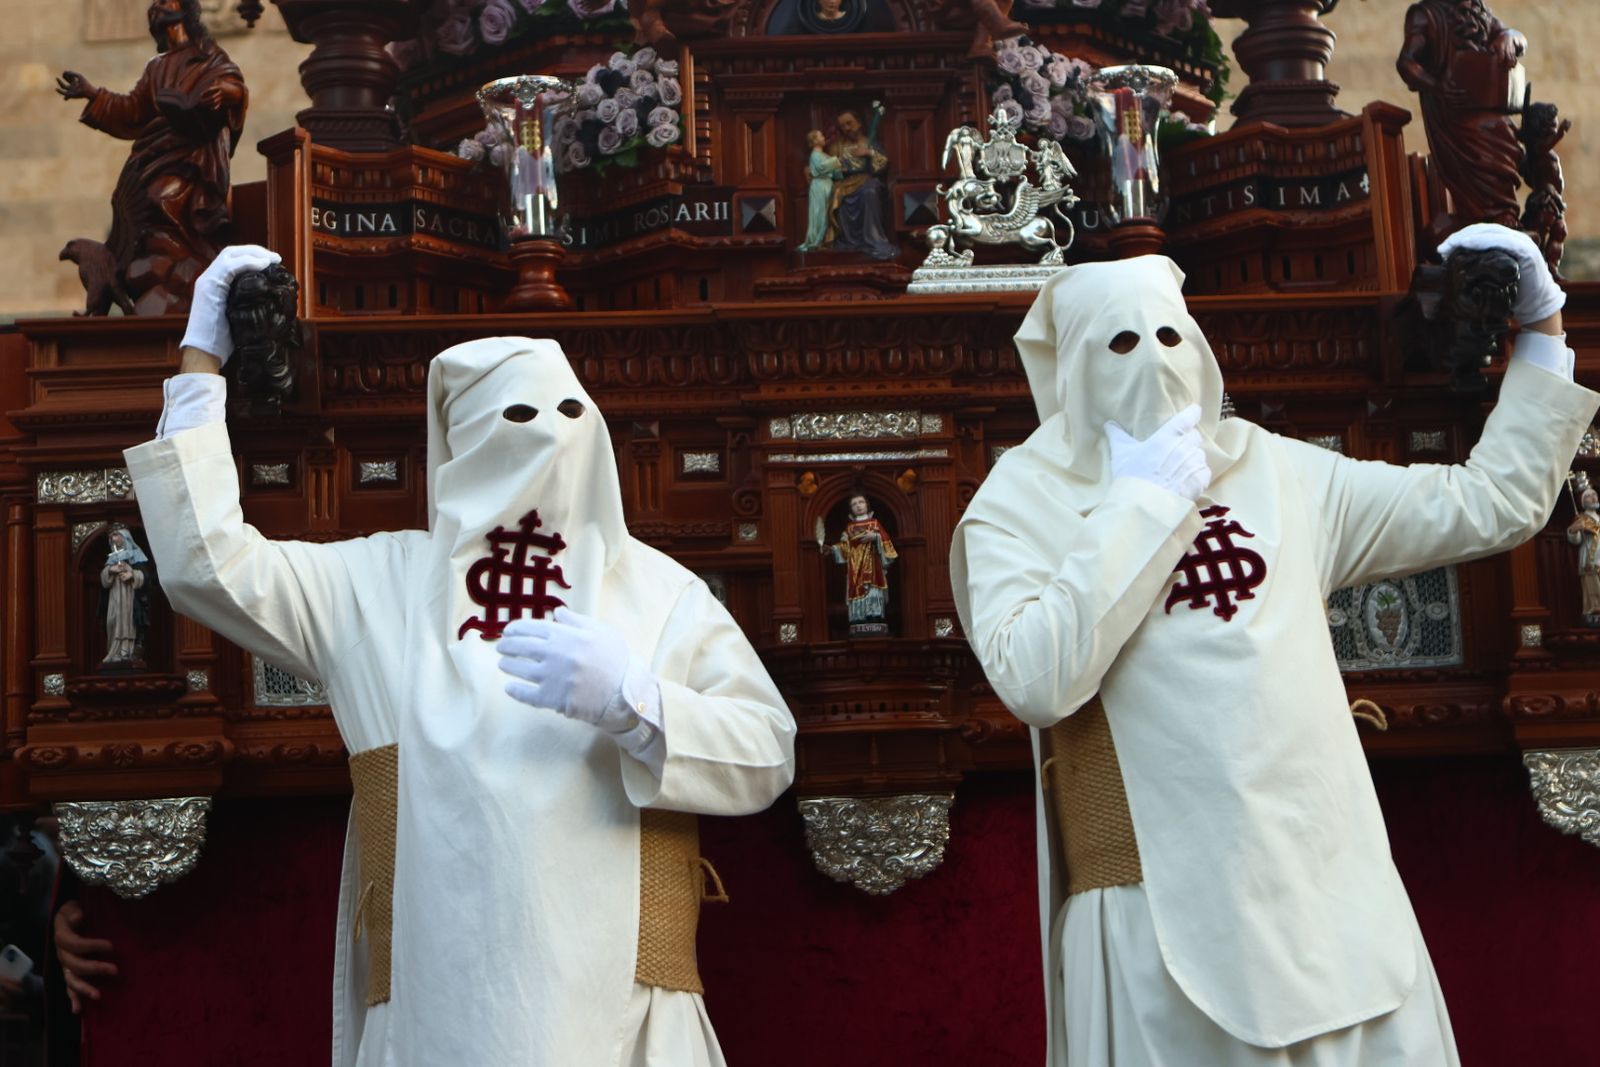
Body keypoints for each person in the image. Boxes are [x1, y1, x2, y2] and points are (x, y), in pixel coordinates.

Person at [125, 245, 797, 1067]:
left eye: (568, 411)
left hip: (629, 1021)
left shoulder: (660, 592)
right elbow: (209, 565)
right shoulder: (378, 585)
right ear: (461, 439)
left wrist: (638, 703)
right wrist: (200, 365)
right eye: (518, 416)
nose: (549, 435)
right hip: (438, 1011)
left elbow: (767, 747)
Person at [950, 222, 1597, 1066]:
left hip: (1328, 899)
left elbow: (1491, 503)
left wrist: (1543, 329)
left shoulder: (1274, 468)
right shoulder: (1019, 503)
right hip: (1157, 928)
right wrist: (1143, 500)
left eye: (1171, 333)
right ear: (1072, 368)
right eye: (1119, 342)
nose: (1153, 358)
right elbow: (1036, 679)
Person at [55, 0, 246, 314]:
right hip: (154, 154)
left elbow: (233, 83)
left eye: (166, 3)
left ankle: (188, 271)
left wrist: (227, 93)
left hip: (193, 158)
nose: (159, 7)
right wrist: (93, 93)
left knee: (160, 198)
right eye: (156, 5)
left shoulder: (206, 54)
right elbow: (132, 110)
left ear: (185, 12)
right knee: (137, 206)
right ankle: (154, 273)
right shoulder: (156, 67)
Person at [826, 107, 899, 260]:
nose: (847, 128)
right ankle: (847, 242)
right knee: (836, 196)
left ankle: (874, 239)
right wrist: (839, 166)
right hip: (844, 184)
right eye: (843, 126)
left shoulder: (870, 143)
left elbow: (882, 165)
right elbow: (829, 169)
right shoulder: (836, 147)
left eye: (849, 123)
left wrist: (868, 153)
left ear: (858, 123)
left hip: (866, 180)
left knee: (870, 191)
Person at [824, 494, 897, 634]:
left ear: (867, 505)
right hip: (856, 568)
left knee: (873, 590)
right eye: (854, 504)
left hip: (873, 566)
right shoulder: (849, 528)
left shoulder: (875, 524)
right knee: (857, 591)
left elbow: (887, 543)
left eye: (861, 502)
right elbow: (844, 547)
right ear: (851, 509)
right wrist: (832, 549)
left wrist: (875, 537)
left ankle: (875, 616)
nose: (858, 505)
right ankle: (859, 617)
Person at [99, 525, 150, 666]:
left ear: (124, 536)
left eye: (116, 535)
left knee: (127, 621)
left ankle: (126, 651)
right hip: (115, 596)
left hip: (129, 598)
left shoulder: (136, 555)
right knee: (113, 620)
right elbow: (104, 582)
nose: (113, 539)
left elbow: (146, 577)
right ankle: (113, 651)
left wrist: (132, 575)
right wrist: (110, 570)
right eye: (111, 537)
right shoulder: (112, 559)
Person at [797, 130, 842, 252]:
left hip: (827, 184)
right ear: (815, 141)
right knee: (819, 213)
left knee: (826, 212)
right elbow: (822, 167)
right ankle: (816, 241)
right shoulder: (815, 155)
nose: (823, 137)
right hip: (819, 186)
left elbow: (831, 169)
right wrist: (836, 160)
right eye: (821, 136)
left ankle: (825, 240)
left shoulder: (823, 155)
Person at [1566, 487, 1600, 624]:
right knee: (1593, 590)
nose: (1593, 498)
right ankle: (1593, 613)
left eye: (1594, 495)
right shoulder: (1581, 518)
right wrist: (1574, 530)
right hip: (1590, 558)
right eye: (1588, 496)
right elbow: (1576, 540)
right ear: (1582, 501)